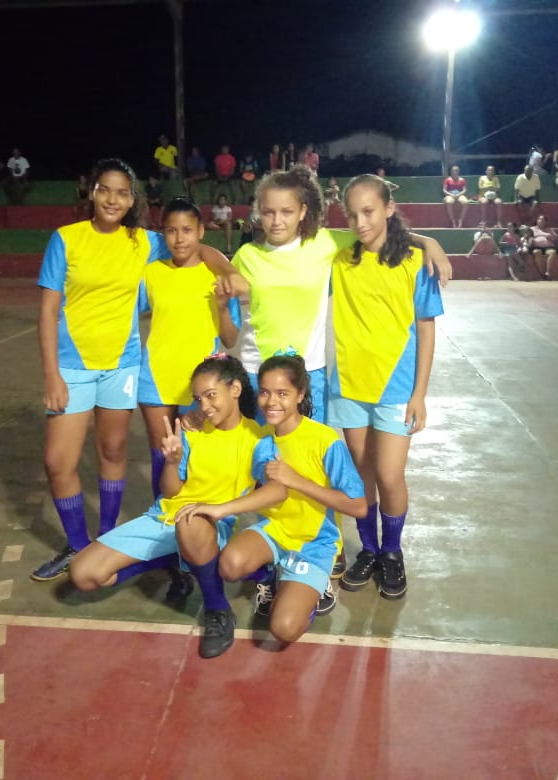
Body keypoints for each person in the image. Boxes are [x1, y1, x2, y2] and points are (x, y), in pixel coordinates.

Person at [31, 158, 237, 583]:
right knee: (57, 461)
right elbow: (48, 310)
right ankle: (77, 544)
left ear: (132, 199)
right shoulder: (66, 239)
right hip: (72, 365)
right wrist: (51, 373)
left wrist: (231, 272)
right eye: (105, 190)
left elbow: (196, 247)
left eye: (122, 192)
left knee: (113, 452)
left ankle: (107, 538)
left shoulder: (144, 241)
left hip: (122, 366)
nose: (113, 199)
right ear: (92, 192)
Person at [70, 355, 284, 659]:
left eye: (211, 395)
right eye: (199, 399)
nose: (204, 406)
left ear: (235, 389)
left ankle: (217, 608)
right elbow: (171, 491)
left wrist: (222, 509)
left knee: (190, 520)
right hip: (163, 518)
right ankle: (175, 561)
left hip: (208, 525)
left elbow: (276, 490)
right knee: (84, 574)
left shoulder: (258, 438)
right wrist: (171, 461)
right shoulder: (191, 431)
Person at [227, 166, 452, 426]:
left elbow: (375, 232)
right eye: (268, 212)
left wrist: (428, 242)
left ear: (302, 211)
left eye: (287, 211)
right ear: (258, 212)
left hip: (308, 371)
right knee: (261, 448)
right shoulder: (246, 256)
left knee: (310, 447)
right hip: (258, 370)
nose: (277, 221)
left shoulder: (325, 243)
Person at [330, 174, 442, 599]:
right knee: (362, 475)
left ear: (389, 209)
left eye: (369, 212)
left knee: (390, 475)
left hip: (396, 389)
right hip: (349, 386)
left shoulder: (416, 262)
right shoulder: (341, 258)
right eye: (352, 214)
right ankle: (370, 549)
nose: (360, 222)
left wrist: (419, 394)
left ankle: (392, 551)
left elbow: (426, 330)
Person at [214, 355, 366, 642]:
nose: (271, 401)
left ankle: (313, 588)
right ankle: (273, 574)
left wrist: (297, 481)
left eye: (282, 393)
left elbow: (358, 506)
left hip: (314, 543)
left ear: (300, 395)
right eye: (265, 392)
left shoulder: (325, 440)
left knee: (283, 628)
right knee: (229, 564)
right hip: (275, 531)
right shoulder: (262, 441)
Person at [138, 197, 241, 498]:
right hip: (155, 378)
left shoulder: (217, 277)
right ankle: (163, 518)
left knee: (197, 460)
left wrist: (222, 308)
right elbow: (128, 314)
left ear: (200, 232)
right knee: (163, 456)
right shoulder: (151, 273)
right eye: (171, 231)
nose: (179, 238)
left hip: (201, 386)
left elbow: (230, 339)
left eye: (187, 230)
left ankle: (197, 520)